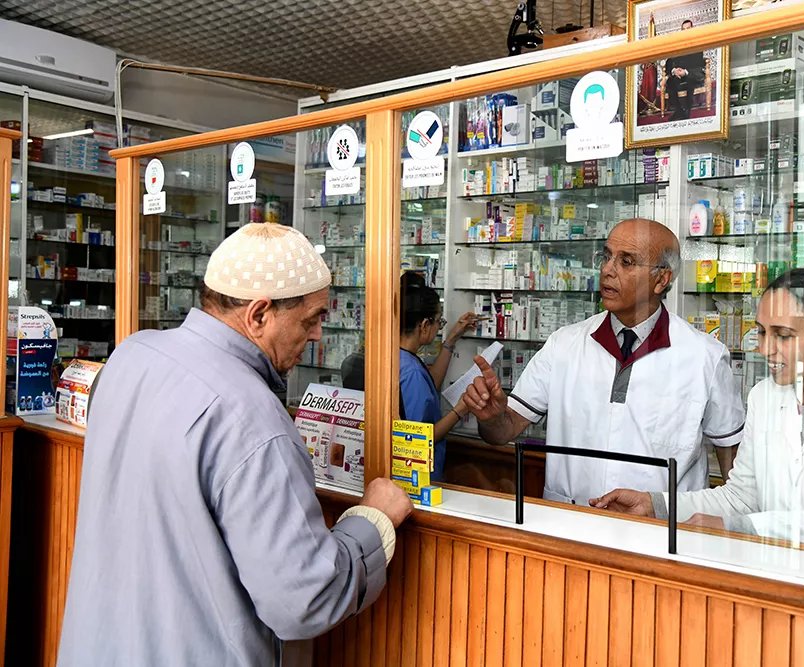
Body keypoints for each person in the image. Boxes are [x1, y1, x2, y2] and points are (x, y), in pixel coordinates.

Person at [58, 223, 413, 666]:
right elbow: (304, 599)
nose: (319, 334)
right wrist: (372, 520)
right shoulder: (252, 419)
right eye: (312, 319)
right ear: (259, 314)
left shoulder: (131, 356)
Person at [590, 265, 804, 561]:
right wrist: (655, 505)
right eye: (761, 332)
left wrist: (741, 528)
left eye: (784, 335)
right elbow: (742, 497)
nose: (765, 349)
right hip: (772, 574)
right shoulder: (765, 397)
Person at [462, 218, 745, 506]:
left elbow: (733, 471)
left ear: (662, 279)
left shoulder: (704, 357)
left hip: (659, 535)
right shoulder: (565, 345)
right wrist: (493, 416)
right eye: (606, 256)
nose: (608, 270)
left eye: (627, 261)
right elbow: (502, 433)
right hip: (571, 525)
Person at [399, 283, 478, 480]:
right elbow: (421, 438)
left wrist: (450, 340)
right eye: (438, 322)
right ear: (424, 325)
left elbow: (429, 383)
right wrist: (461, 408)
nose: (438, 327)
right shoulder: (412, 371)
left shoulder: (398, 358)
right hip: (416, 478)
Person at [664, 19, 706, 121]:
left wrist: (685, 72)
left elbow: (698, 63)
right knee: (670, 82)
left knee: (690, 82)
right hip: (679, 75)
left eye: (688, 28)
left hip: (692, 73)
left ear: (692, 29)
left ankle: (687, 111)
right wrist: (674, 70)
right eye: (684, 29)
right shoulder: (678, 44)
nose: (686, 31)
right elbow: (669, 61)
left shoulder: (698, 43)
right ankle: (679, 110)